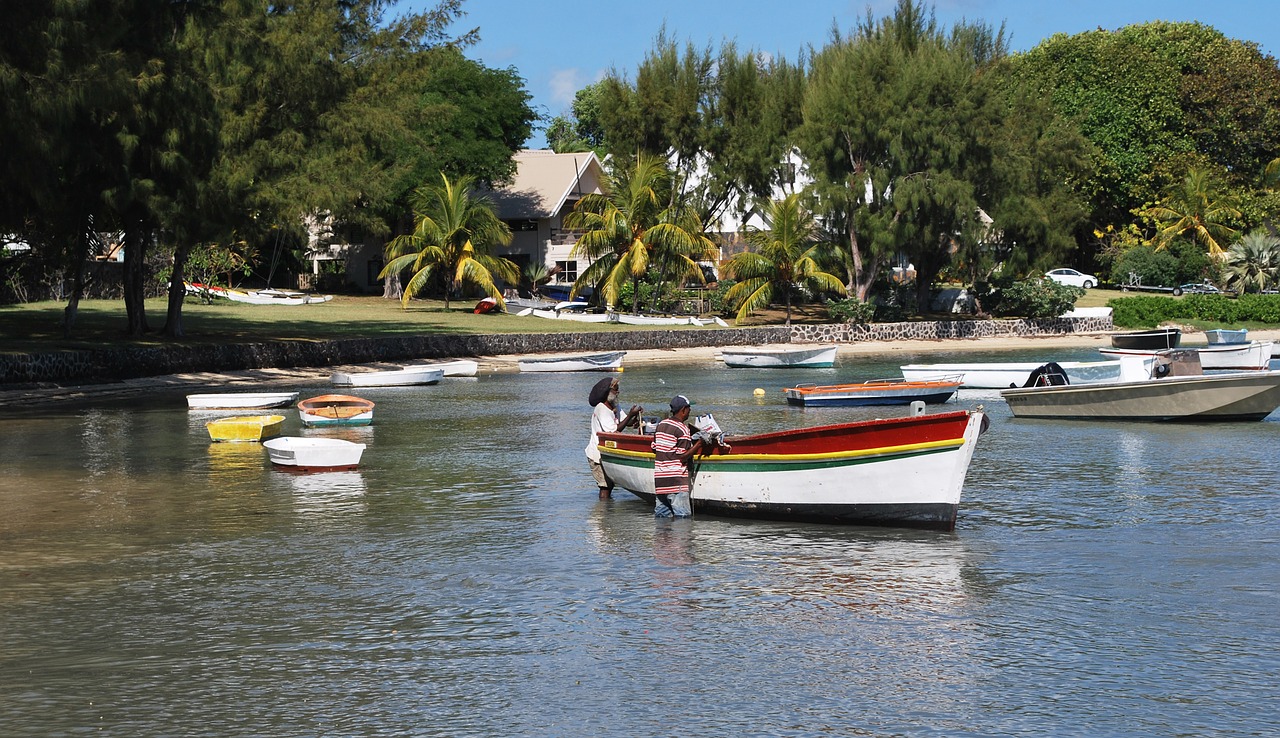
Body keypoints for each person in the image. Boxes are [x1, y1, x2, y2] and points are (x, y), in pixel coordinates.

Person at [585, 376, 642, 499]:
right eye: (616, 389)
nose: (618, 392)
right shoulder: (601, 409)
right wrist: (631, 415)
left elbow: (625, 421)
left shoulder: (615, 406)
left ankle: (607, 512)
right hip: (597, 455)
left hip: (606, 453)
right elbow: (614, 431)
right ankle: (602, 514)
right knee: (605, 486)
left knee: (609, 485)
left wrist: (634, 418)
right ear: (608, 392)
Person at [650, 394, 703, 518]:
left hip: (660, 481)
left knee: (662, 518)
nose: (690, 411)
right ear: (683, 409)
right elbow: (683, 456)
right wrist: (698, 444)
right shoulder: (682, 429)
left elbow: (654, 448)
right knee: (682, 519)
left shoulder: (661, 425)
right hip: (676, 481)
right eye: (689, 408)